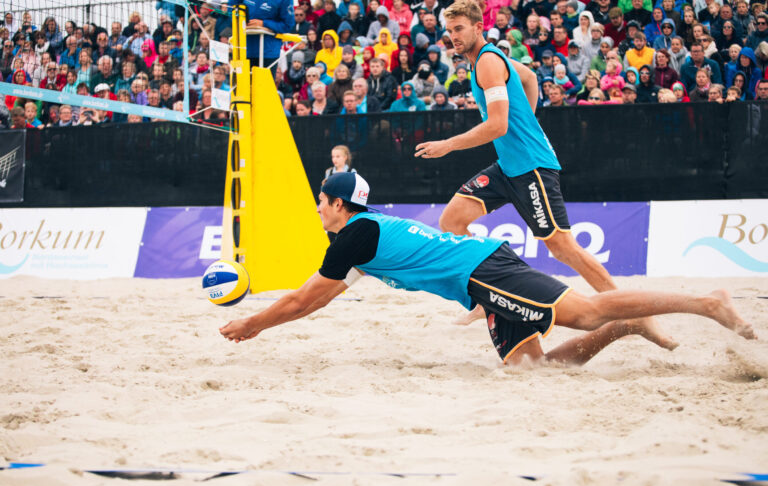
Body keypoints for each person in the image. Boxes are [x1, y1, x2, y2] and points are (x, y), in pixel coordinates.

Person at [219, 172, 756, 367]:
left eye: (320, 202)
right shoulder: (366, 237)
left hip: (485, 273)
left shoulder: (354, 236)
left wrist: (252, 324)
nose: (317, 210)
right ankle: (629, 325)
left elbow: (303, 301)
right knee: (532, 370)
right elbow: (321, 296)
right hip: (481, 280)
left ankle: (708, 303)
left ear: (339, 205)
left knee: (586, 312)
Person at [413, 0, 672, 341]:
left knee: (563, 248)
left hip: (532, 167)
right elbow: (531, 77)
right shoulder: (491, 59)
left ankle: (637, 316)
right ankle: (484, 296)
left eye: (459, 29)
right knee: (452, 221)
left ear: (478, 27)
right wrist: (530, 121)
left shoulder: (488, 62)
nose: (453, 36)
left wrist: (448, 144)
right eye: (449, 31)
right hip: (509, 166)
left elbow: (498, 126)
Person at [231, 0, 295, 75]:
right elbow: (230, 11)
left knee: (263, 86)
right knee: (239, 85)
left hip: (267, 53)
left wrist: (264, 23)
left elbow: (288, 25)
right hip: (241, 50)